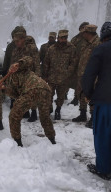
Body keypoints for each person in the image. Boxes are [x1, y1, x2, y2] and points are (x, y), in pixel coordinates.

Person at [1, 56, 56, 147]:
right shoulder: (11, 78)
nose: (12, 68)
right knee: (44, 117)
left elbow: (29, 60)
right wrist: (3, 89)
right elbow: (16, 94)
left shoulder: (22, 69)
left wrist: (19, 63)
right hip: (45, 89)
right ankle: (52, 141)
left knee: (14, 116)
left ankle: (17, 143)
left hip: (33, 89)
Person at [82, 21, 111, 180]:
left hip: (105, 101)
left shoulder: (101, 49)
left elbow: (89, 76)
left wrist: (89, 94)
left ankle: (104, 169)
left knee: (103, 135)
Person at [42, 30, 77, 120]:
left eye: (65, 37)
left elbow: (73, 62)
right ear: (58, 38)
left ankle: (58, 109)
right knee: (49, 95)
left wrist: (68, 72)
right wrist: (45, 75)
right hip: (52, 77)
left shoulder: (71, 48)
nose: (63, 39)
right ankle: (49, 108)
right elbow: (46, 62)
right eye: (61, 38)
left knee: (61, 96)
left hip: (64, 78)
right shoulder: (52, 48)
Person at [10, 26, 41, 122]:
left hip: (31, 75)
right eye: (15, 41)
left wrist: (37, 76)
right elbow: (13, 62)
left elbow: (37, 62)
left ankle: (34, 112)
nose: (16, 43)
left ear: (23, 39)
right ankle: (26, 111)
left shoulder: (31, 48)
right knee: (22, 94)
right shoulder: (16, 49)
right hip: (20, 77)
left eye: (17, 41)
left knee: (32, 94)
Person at [72, 25, 100, 126]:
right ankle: (83, 114)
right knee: (82, 94)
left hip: (92, 76)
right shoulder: (87, 43)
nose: (82, 34)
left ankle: (93, 118)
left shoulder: (98, 44)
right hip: (82, 75)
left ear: (89, 33)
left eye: (84, 33)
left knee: (92, 95)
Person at [69, 22, 90, 106]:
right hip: (75, 63)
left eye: (86, 27)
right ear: (80, 28)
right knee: (73, 81)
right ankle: (68, 95)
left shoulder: (90, 38)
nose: (84, 29)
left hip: (85, 64)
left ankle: (77, 98)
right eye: (83, 27)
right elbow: (70, 49)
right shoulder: (75, 39)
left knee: (81, 83)